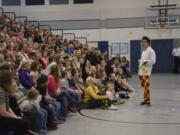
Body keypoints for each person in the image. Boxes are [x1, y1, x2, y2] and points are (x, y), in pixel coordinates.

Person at [0, 70, 29, 135]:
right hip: (1, 119)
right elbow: (3, 112)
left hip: (3, 117)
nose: (13, 79)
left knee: (24, 119)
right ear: (6, 80)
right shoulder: (1, 91)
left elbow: (8, 107)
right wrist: (15, 118)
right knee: (23, 123)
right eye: (11, 78)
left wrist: (15, 116)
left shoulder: (4, 89)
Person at [138, 36, 156, 107]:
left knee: (146, 86)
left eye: (145, 42)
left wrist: (145, 62)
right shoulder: (144, 51)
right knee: (144, 85)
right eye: (142, 42)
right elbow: (143, 59)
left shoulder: (151, 51)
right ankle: (146, 100)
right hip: (141, 70)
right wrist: (140, 60)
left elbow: (153, 61)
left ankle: (147, 101)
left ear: (148, 43)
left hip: (146, 71)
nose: (143, 43)